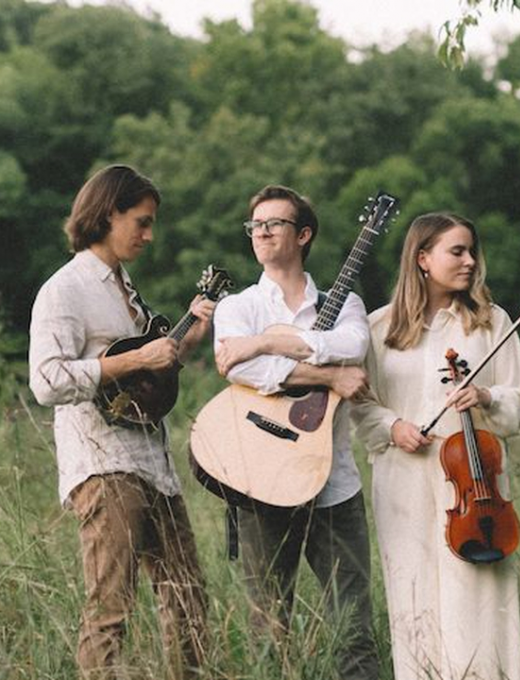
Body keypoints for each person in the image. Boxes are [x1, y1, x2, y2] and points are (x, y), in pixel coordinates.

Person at [29, 165, 212, 680]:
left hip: (153, 465)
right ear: (107, 214)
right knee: (111, 609)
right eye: (142, 221)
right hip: (103, 467)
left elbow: (144, 377)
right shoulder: (64, 290)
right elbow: (46, 381)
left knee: (188, 599)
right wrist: (135, 361)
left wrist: (183, 342)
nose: (149, 235)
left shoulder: (124, 288)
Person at [351, 212, 520, 680]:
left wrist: (487, 395)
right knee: (412, 592)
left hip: (475, 487)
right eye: (458, 251)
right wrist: (393, 427)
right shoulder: (377, 328)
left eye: (473, 251)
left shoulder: (491, 323)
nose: (470, 261)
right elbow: (362, 405)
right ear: (423, 258)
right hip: (404, 481)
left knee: (477, 596)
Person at [213, 185, 380, 679]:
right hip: (261, 481)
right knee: (269, 626)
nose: (261, 233)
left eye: (273, 224)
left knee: (353, 624)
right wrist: (326, 373)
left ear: (303, 234)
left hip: (335, 485)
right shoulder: (238, 307)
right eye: (255, 226)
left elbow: (352, 344)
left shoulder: (344, 301)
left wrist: (268, 346)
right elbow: (244, 371)